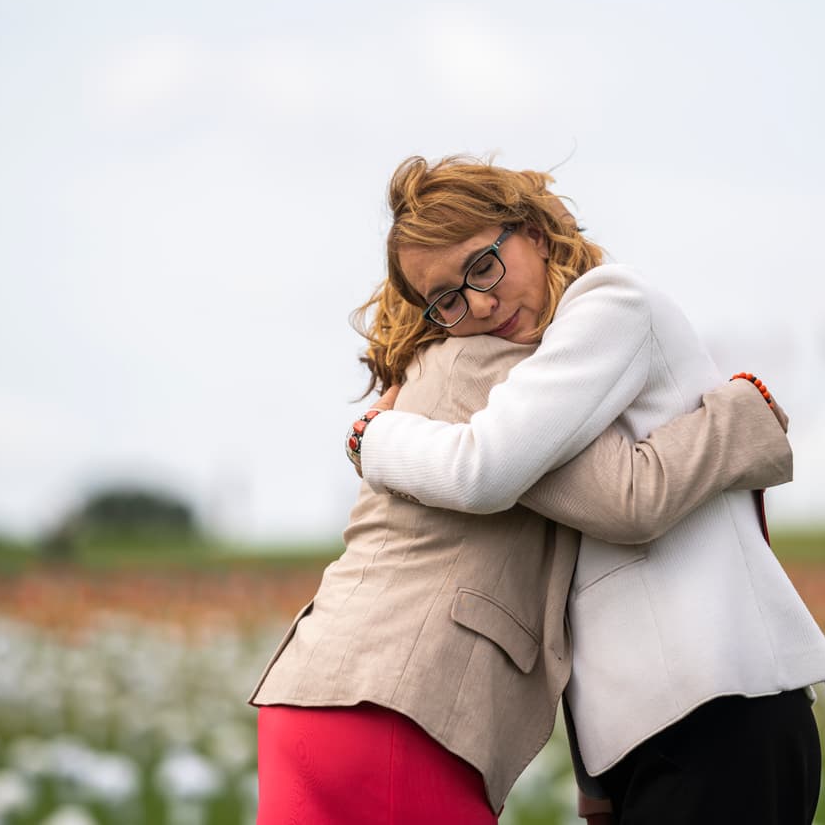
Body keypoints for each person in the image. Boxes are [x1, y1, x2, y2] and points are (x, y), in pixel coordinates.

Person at [350, 155, 825, 824]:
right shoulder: (540, 371)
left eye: (483, 265)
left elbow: (495, 471)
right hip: (655, 737)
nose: (480, 303)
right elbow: (582, 573)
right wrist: (597, 778)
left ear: (531, 230)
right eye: (447, 301)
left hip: (723, 711)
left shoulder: (609, 302)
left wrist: (373, 438)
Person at [248, 309, 796, 815]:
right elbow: (628, 496)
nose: (483, 304)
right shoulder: (500, 371)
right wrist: (744, 409)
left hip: (311, 698)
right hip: (399, 709)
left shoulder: (424, 379)